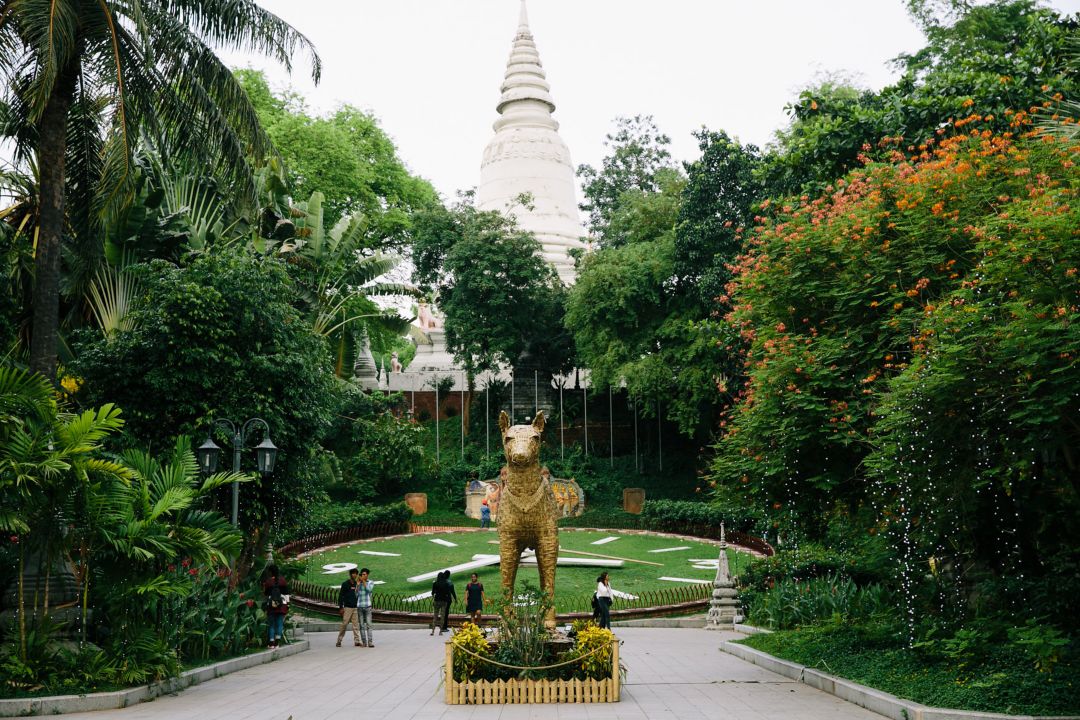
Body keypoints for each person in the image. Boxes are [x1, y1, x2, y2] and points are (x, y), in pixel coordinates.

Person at [262, 564, 289, 648]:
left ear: (270, 572)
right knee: (279, 623)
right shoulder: (283, 581)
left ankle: (271, 643)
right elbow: (286, 594)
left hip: (271, 604)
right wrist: (288, 605)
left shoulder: (268, 582)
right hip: (282, 604)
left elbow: (266, 593)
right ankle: (277, 642)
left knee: (271, 624)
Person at [336, 568, 361, 647]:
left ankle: (357, 641)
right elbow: (341, 596)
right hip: (347, 608)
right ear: (350, 574)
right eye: (353, 573)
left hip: (355, 607)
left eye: (356, 573)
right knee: (344, 624)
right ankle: (339, 640)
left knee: (355, 625)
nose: (355, 575)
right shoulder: (345, 584)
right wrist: (341, 607)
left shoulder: (357, 584)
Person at [430, 570, 457, 635]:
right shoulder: (447, 583)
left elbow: (432, 593)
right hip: (444, 601)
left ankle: (433, 631)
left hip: (437, 601)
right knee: (443, 616)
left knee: (435, 616)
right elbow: (448, 593)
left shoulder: (435, 583)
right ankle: (441, 631)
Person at [356, 567, 375, 648]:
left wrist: (363, 581)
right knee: (361, 625)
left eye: (364, 574)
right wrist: (357, 586)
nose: (363, 576)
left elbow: (369, 590)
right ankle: (364, 642)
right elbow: (356, 595)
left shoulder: (370, 582)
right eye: (362, 574)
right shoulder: (359, 583)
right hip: (360, 606)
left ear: (367, 575)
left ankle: (370, 642)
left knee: (369, 624)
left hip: (367, 606)